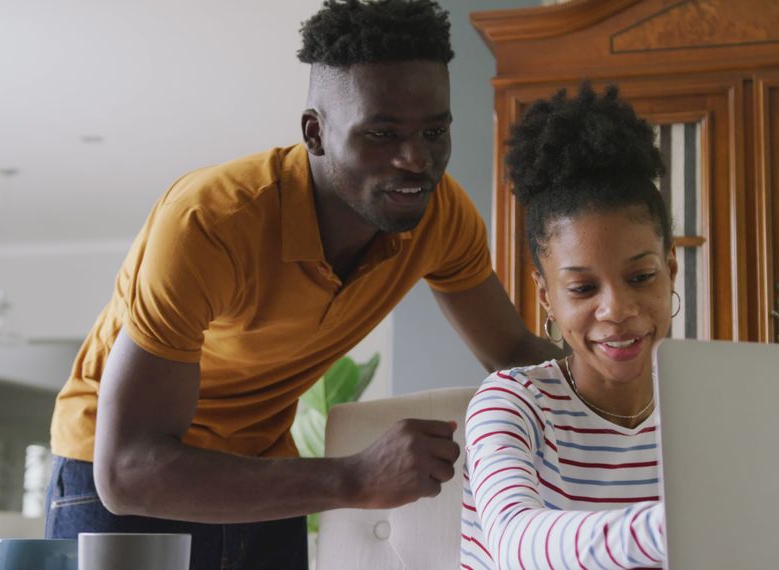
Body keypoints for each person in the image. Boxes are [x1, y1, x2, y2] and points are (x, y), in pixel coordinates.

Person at [44, 1, 562, 568]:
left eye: (434, 131)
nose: (417, 159)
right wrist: (353, 478)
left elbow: (514, 352)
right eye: (382, 133)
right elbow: (128, 471)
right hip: (126, 477)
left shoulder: (441, 218)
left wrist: (616, 376)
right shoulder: (210, 223)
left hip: (261, 469)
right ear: (315, 132)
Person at [460, 84, 675, 569]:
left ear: (671, 272)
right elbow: (515, 542)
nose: (616, 309)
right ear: (547, 297)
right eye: (582, 288)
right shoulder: (513, 403)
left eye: (641, 277)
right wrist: (681, 524)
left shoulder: (705, 406)